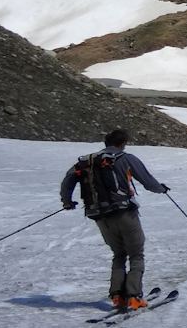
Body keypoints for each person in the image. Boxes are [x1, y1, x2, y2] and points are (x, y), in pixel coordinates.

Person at [60, 129, 170, 311]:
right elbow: (148, 181)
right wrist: (162, 189)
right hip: (124, 212)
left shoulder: (87, 161)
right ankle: (134, 297)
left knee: (119, 253)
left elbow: (68, 180)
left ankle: (118, 296)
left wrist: (67, 201)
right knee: (136, 253)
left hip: (99, 215)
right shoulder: (124, 158)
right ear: (123, 142)